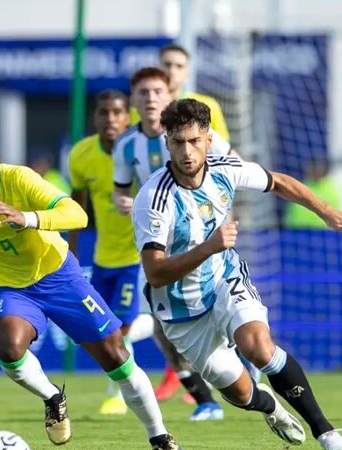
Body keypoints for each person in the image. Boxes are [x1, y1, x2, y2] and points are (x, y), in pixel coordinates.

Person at [0, 126, 182, 450]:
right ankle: (53, 396)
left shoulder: (21, 179)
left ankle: (159, 436)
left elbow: (77, 215)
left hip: (60, 276)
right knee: (8, 349)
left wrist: (26, 218)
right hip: (12, 287)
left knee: (117, 357)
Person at [132, 99, 342, 449]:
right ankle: (271, 407)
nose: (187, 151)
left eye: (195, 141)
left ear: (208, 140)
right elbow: (154, 273)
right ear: (166, 141)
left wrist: (327, 212)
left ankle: (327, 433)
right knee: (242, 392)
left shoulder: (225, 169)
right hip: (181, 310)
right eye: (178, 142)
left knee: (259, 347)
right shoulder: (153, 199)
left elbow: (278, 182)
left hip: (223, 279)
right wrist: (209, 247)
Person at [113, 66, 228, 421]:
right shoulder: (127, 145)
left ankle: (252, 368)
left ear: (169, 96)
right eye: (143, 93)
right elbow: (120, 190)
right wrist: (124, 203)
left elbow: (230, 171)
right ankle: (205, 399)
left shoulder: (197, 136)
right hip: (155, 246)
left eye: (157, 92)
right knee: (162, 323)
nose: (150, 99)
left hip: (205, 241)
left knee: (225, 313)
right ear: (134, 101)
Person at [66, 89, 138, 415]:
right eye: (103, 112)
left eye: (117, 112)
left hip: (140, 256)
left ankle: (118, 393)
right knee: (109, 329)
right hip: (103, 258)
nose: (110, 118)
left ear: (128, 116)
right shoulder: (81, 156)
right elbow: (76, 207)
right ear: (95, 117)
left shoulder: (141, 150)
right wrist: (71, 253)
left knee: (119, 329)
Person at [130, 43, 230, 142]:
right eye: (167, 64)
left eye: (179, 66)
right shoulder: (139, 107)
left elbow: (224, 150)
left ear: (187, 73)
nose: (172, 71)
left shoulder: (209, 105)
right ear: (157, 68)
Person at [285, 159, 342, 228]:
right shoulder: (301, 185)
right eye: (311, 169)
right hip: (296, 231)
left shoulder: (330, 190)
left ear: (323, 171)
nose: (313, 172)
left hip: (320, 232)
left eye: (316, 169)